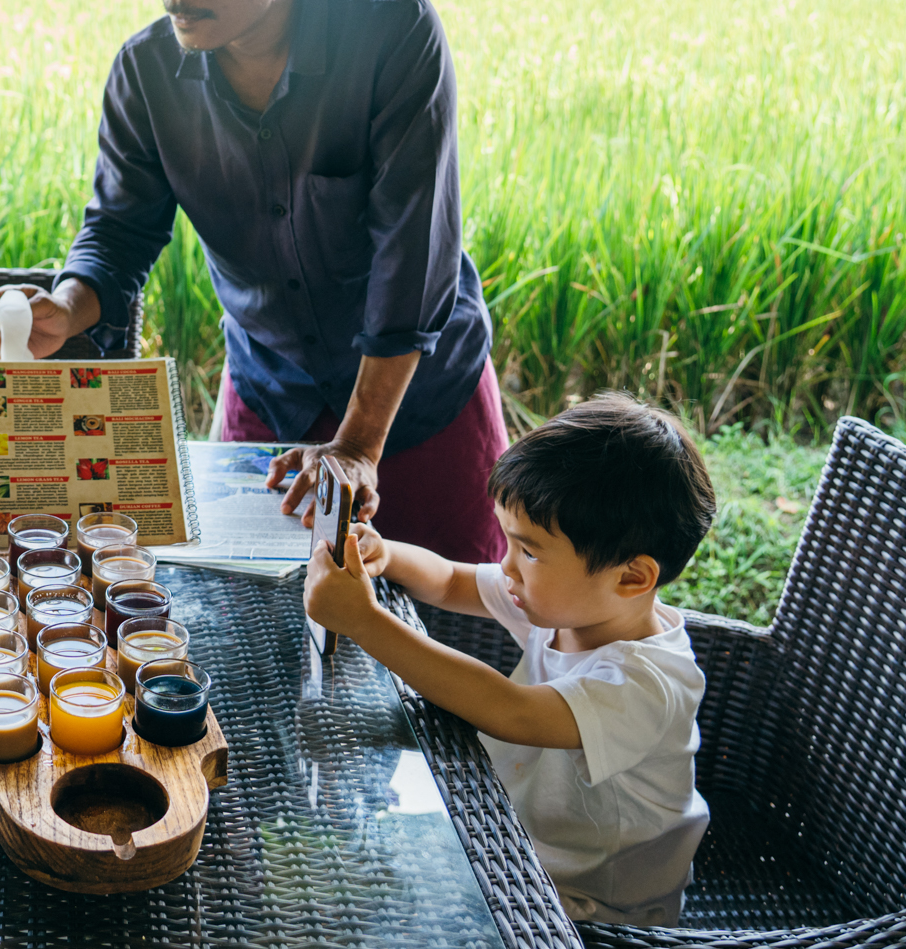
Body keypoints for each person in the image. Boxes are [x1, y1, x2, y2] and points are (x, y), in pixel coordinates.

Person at [0, 0, 505, 562]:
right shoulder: (146, 72)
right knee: (254, 630)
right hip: (269, 399)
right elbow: (120, 233)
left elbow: (412, 255)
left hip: (418, 403)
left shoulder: (393, 33)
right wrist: (64, 306)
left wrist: (357, 444)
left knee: (454, 630)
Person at [304, 393, 717, 926]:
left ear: (631, 578)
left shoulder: (648, 683)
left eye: (528, 550)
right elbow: (453, 580)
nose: (507, 566)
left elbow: (512, 712)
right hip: (514, 839)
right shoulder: (570, 604)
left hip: (596, 903)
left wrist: (364, 622)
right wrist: (388, 554)